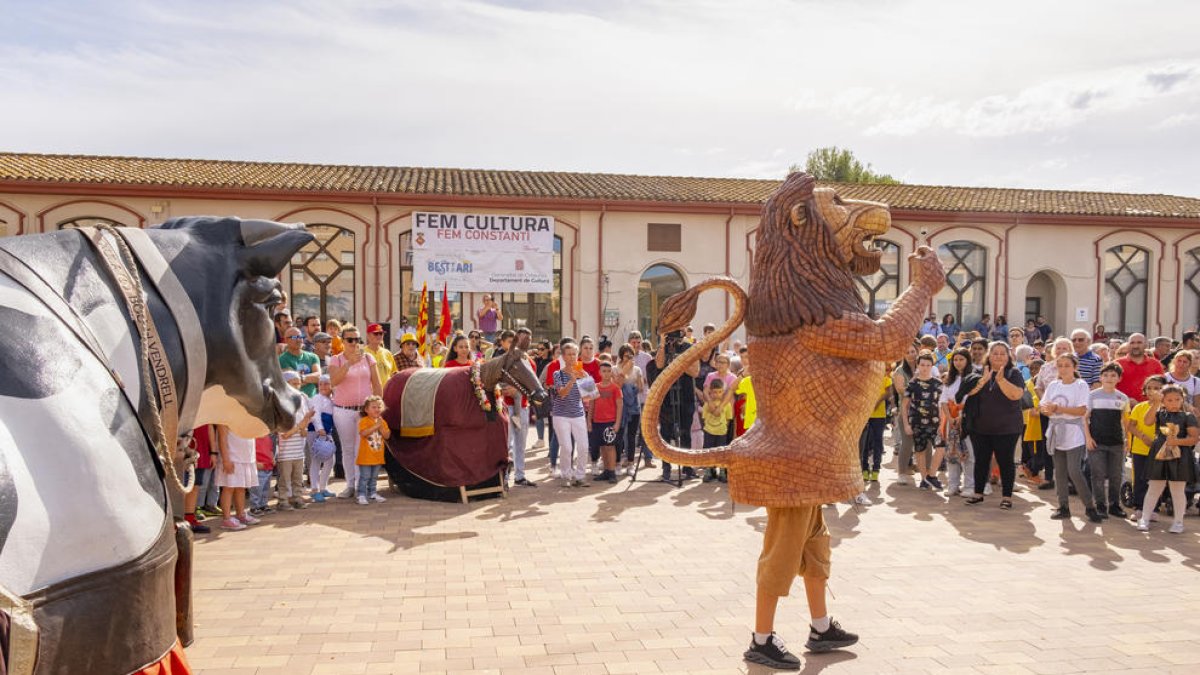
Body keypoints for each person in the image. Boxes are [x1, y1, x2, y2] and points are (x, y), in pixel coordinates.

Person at [958, 342, 1026, 509]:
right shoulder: (980, 372)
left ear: (1008, 356)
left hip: (1007, 428)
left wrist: (1001, 380)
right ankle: (978, 493)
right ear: (989, 355)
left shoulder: (1014, 373)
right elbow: (966, 394)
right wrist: (983, 380)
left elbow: (1016, 395)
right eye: (995, 353)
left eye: (1002, 353)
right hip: (980, 427)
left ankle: (1007, 497)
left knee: (1005, 462)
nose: (998, 356)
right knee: (981, 460)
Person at [1041, 354, 1101, 522]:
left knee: (1074, 470)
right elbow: (1043, 406)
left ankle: (1089, 506)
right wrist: (1047, 410)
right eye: (1060, 365)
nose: (1063, 369)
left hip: (1074, 432)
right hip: (1056, 431)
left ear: (1074, 367)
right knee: (1059, 471)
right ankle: (1063, 506)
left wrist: (1059, 408)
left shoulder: (1081, 385)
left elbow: (1082, 410)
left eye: (1067, 365)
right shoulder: (1053, 385)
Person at [327, 326, 384, 498]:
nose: (354, 343)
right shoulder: (335, 360)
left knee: (363, 448)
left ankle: (362, 486)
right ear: (343, 341)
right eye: (350, 340)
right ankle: (350, 485)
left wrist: (378, 409)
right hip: (343, 410)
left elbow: (377, 384)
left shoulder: (368, 358)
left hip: (364, 412)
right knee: (348, 449)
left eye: (357, 339)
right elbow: (333, 382)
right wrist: (349, 363)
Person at [1136, 384, 1198, 533]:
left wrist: (1177, 442)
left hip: (1180, 456)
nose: (1174, 403)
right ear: (1163, 401)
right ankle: (1144, 518)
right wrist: (1156, 403)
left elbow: (1194, 438)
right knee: (1154, 487)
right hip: (1159, 454)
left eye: (1177, 399)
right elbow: (1147, 421)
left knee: (1177, 490)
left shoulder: (1188, 417)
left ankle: (1178, 522)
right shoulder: (1160, 414)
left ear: (1182, 400)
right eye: (1169, 400)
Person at [646, 331, 701, 482]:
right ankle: (666, 468)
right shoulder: (664, 347)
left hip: (685, 396)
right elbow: (659, 364)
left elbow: (695, 372)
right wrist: (663, 345)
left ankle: (687, 467)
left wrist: (679, 362)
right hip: (667, 398)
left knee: (685, 433)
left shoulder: (690, 348)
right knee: (665, 432)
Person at [1085, 362, 1130, 519]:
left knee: (1115, 475)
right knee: (1097, 474)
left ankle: (1114, 505)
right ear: (1100, 377)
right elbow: (1085, 418)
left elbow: (1125, 422)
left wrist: (1127, 440)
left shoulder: (1122, 398)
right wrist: (1088, 438)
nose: (1109, 378)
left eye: (1113, 375)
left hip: (1116, 442)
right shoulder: (1092, 395)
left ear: (1119, 378)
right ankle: (1100, 505)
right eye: (1105, 375)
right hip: (1097, 442)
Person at [1125, 375, 1166, 524]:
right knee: (1141, 479)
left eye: (1156, 388)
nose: (1152, 391)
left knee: (1156, 479)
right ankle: (1139, 507)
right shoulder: (1139, 407)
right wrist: (1143, 437)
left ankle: (1154, 509)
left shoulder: (1167, 407)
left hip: (1160, 449)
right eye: (1149, 388)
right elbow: (1131, 426)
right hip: (1140, 449)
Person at [552, 341, 590, 487]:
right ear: (563, 356)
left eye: (574, 354)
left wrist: (586, 380)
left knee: (583, 446)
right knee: (567, 447)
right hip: (561, 415)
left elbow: (588, 397)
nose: (572, 357)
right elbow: (561, 394)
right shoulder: (558, 374)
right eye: (569, 354)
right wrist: (573, 381)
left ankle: (580, 476)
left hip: (578, 413)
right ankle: (566, 475)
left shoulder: (583, 373)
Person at [903, 353, 944, 491]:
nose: (925, 368)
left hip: (935, 423)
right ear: (918, 366)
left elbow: (942, 405)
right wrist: (906, 424)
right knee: (920, 451)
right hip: (917, 422)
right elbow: (905, 406)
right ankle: (923, 479)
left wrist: (943, 423)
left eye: (928, 365)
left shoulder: (938, 384)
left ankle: (931, 475)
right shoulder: (912, 384)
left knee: (941, 447)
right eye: (922, 365)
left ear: (932, 366)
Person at [940, 348, 974, 496]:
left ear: (967, 361)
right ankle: (953, 485)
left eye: (961, 359)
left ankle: (969, 485)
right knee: (952, 453)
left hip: (967, 420)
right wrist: (950, 417)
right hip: (951, 421)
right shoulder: (949, 380)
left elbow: (972, 401)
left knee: (969, 454)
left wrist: (961, 416)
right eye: (955, 360)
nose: (958, 363)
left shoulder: (973, 378)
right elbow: (943, 401)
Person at [216, 425, 259, 531]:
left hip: (245, 457)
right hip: (232, 458)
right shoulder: (225, 416)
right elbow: (222, 438)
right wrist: (226, 459)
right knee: (228, 488)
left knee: (241, 487)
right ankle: (226, 519)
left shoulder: (246, 416)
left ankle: (241, 514)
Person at [588, 361, 623, 483]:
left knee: (610, 447)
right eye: (604, 371)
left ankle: (612, 472)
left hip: (610, 422)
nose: (606, 374)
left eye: (609, 371)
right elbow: (591, 405)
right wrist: (589, 421)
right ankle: (606, 471)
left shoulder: (615, 388)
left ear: (611, 372)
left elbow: (620, 406)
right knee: (602, 446)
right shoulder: (595, 387)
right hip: (597, 421)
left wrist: (617, 423)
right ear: (599, 372)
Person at [617, 343, 648, 474]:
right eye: (626, 356)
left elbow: (641, 388)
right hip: (620, 406)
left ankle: (630, 463)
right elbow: (617, 386)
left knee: (631, 435)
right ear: (621, 356)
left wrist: (630, 388)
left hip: (634, 406)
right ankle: (617, 462)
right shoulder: (615, 369)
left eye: (631, 355)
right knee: (619, 435)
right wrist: (624, 372)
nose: (628, 358)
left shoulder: (637, 370)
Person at [891, 343, 919, 485]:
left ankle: (927, 475)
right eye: (907, 352)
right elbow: (902, 391)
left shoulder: (924, 367)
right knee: (907, 443)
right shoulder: (899, 372)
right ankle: (901, 472)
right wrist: (916, 380)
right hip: (906, 411)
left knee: (924, 443)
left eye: (913, 351)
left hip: (924, 411)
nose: (911, 354)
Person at [355, 395, 391, 505]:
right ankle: (361, 494)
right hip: (366, 456)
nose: (377, 409)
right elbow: (364, 433)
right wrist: (376, 426)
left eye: (379, 407)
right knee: (365, 476)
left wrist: (380, 426)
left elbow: (387, 436)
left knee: (374, 477)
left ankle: (373, 493)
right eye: (373, 407)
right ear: (366, 409)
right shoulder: (364, 421)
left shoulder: (382, 422)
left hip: (377, 456)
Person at [308, 375, 337, 503]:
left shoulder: (331, 400)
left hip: (326, 433)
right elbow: (315, 415)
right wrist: (319, 429)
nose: (323, 386)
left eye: (326, 383)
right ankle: (314, 490)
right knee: (316, 461)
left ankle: (323, 488)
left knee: (330, 461)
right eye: (321, 384)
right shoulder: (316, 398)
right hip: (315, 432)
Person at [860, 368, 891, 484]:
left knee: (878, 442)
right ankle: (864, 468)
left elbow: (888, 392)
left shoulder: (885, 378)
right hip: (865, 415)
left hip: (879, 415)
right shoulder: (864, 378)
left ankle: (876, 469)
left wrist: (877, 402)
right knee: (865, 443)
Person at [1116, 333, 1166, 402]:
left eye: (1139, 343)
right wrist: (1126, 400)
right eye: (1132, 343)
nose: (1135, 346)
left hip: (1149, 408)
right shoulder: (1117, 364)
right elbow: (1110, 387)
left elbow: (1163, 387)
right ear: (1128, 345)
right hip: (1123, 407)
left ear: (1146, 345)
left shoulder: (1155, 364)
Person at [701, 378, 733, 483]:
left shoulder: (726, 405)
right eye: (714, 392)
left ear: (723, 392)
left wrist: (724, 427)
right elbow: (704, 418)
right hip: (709, 431)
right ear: (710, 392)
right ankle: (709, 470)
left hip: (721, 432)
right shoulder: (707, 405)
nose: (717, 394)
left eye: (720, 392)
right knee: (708, 451)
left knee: (721, 452)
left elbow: (728, 418)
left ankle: (722, 471)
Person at [279, 327, 321, 396]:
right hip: (294, 401)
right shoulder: (282, 359)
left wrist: (301, 378)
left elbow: (318, 377)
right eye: (295, 337)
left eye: (301, 336)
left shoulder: (313, 357)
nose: (299, 340)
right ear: (286, 340)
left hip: (312, 401)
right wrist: (310, 379)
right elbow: (292, 381)